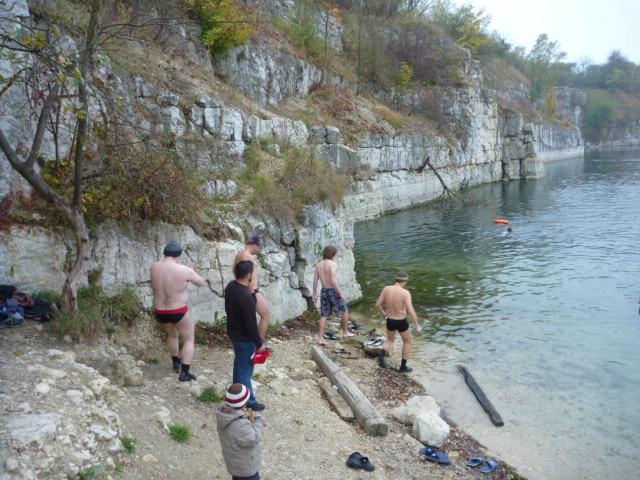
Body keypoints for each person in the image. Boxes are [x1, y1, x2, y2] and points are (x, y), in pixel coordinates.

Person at [150, 240, 206, 381]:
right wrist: (194, 272)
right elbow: (200, 283)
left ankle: (176, 362)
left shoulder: (154, 267)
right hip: (178, 310)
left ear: (165, 253)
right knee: (189, 339)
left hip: (161, 311)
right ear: (179, 255)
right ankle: (185, 372)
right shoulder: (184, 270)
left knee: (172, 334)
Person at [225, 260, 266, 411]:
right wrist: (259, 343)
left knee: (239, 366)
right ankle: (249, 401)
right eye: (253, 273)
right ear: (248, 275)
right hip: (244, 338)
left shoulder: (231, 287)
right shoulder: (246, 296)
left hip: (234, 332)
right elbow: (251, 325)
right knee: (245, 370)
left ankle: (236, 394)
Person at [375, 271, 422, 373]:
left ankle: (381, 358)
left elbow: (377, 304)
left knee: (390, 340)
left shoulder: (386, 289)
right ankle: (403, 367)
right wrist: (417, 325)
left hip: (390, 320)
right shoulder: (405, 293)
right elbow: (411, 310)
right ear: (405, 281)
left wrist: (384, 314)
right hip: (401, 322)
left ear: (396, 279)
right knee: (407, 342)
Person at [216, 383, 266, 480]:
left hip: (235, 463)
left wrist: (246, 414)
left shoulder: (224, 414)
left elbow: (239, 414)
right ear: (244, 403)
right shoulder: (240, 424)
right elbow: (253, 438)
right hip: (246, 468)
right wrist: (259, 422)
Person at [312, 245, 354, 346]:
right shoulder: (332, 264)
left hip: (324, 291)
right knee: (344, 310)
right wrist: (340, 292)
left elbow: (315, 281)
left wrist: (314, 294)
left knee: (324, 314)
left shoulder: (318, 265)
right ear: (333, 254)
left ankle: (320, 338)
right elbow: (333, 280)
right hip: (333, 290)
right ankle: (345, 332)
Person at [234, 235, 271, 340]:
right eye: (259, 246)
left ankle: (255, 343)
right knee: (265, 315)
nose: (260, 249)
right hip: (251, 292)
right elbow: (244, 275)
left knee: (253, 318)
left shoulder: (240, 255)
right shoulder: (246, 256)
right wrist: (250, 291)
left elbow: (235, 272)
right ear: (254, 245)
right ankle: (258, 344)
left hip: (249, 291)